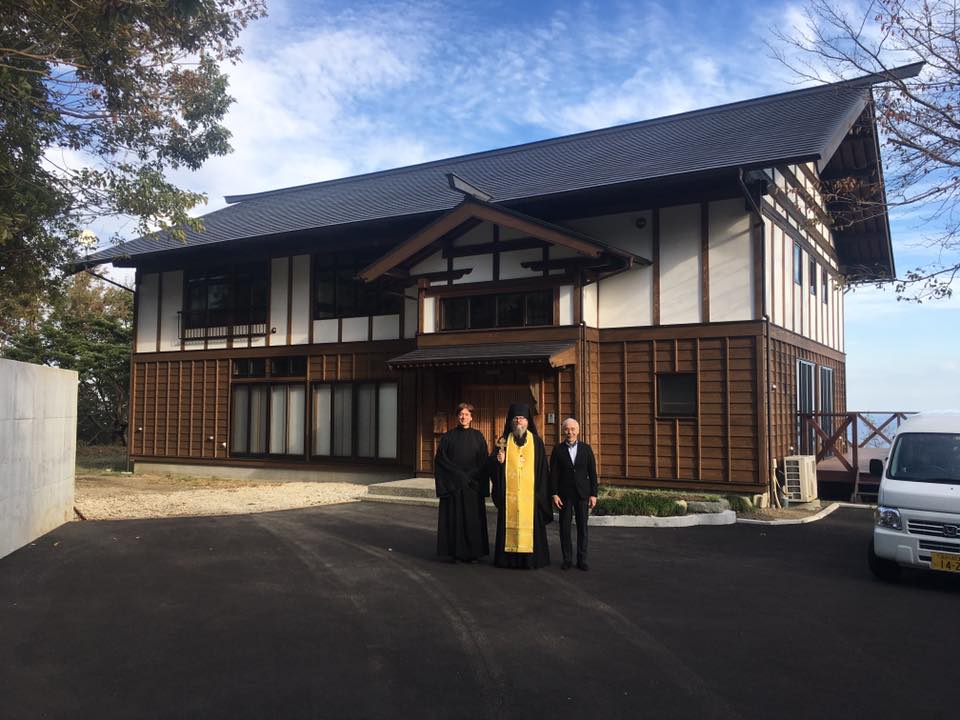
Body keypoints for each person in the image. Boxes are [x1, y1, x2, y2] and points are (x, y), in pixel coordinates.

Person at [490, 403, 551, 568]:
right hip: (509, 498)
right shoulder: (503, 442)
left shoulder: (537, 442)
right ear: (511, 421)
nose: (519, 421)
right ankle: (509, 561)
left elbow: (543, 471)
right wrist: (499, 462)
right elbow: (492, 467)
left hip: (531, 498)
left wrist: (540, 495)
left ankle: (530, 561)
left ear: (528, 421)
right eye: (516, 418)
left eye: (522, 418)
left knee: (531, 529)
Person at [434, 403, 490, 562]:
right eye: (461, 414)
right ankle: (456, 553)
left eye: (466, 414)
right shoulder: (448, 437)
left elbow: (483, 461)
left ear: (471, 417)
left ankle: (473, 553)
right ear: (457, 417)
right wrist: (458, 474)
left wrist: (471, 475)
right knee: (455, 520)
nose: (463, 417)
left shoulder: (478, 437)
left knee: (473, 520)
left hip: (472, 485)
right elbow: (441, 460)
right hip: (454, 486)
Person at [550, 417, 598, 571]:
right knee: (564, 528)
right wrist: (554, 494)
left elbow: (592, 473)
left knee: (582, 528)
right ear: (563, 431)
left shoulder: (586, 449)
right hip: (564, 495)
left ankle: (582, 560)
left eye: (572, 429)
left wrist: (594, 494)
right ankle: (567, 559)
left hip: (583, 494)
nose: (569, 432)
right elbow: (553, 474)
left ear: (578, 431)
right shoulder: (557, 450)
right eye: (566, 429)